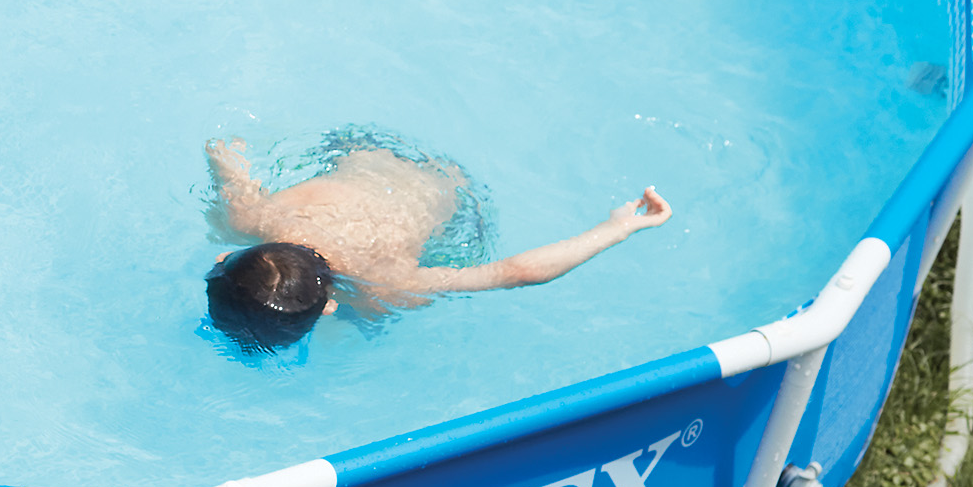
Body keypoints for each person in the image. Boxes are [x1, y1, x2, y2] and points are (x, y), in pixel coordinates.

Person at [204, 135, 673, 355]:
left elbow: (515, 273)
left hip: (456, 194)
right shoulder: (251, 218)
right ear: (226, 258)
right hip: (367, 148)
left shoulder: (387, 284)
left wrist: (619, 228)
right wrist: (224, 155)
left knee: (372, 315)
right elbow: (225, 157)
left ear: (327, 308)